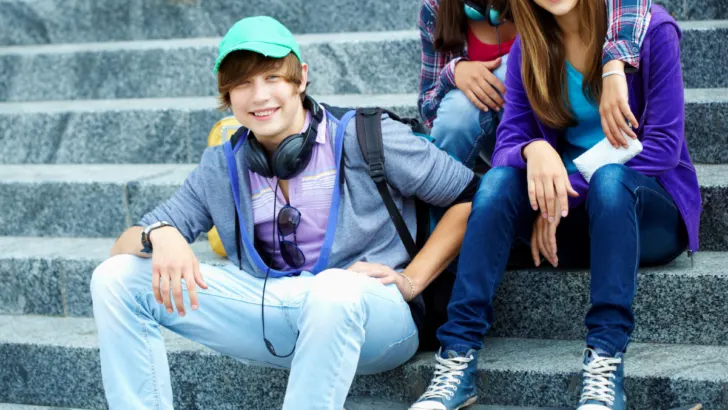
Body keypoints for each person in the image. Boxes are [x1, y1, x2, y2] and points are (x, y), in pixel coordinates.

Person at [90, 16, 479, 410]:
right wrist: (157, 233)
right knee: (116, 277)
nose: (259, 96)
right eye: (243, 83)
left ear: (301, 78)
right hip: (272, 311)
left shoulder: (368, 135)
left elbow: (469, 196)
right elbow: (121, 250)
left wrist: (411, 281)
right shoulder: (222, 166)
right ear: (227, 94)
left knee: (332, 288)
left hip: (372, 316)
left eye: (272, 77)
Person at [410, 1, 701, 410]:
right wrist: (534, 150)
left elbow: (662, 149)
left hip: (644, 211)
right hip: (574, 213)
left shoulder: (653, 31)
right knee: (495, 183)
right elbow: (509, 140)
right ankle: (456, 357)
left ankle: (605, 360)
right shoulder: (532, 47)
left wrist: (563, 189)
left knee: (610, 181)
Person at [418, 0, 653, 170]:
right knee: (458, 107)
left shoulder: (550, 4)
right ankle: (444, 211)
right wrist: (454, 72)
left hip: (553, 126)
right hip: (500, 141)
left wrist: (614, 66)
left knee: (514, 66)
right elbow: (429, 114)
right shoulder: (436, 8)